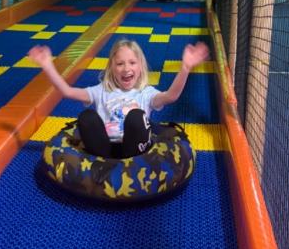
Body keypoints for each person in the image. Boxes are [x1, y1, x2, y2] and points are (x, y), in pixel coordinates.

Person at [27, 38, 209, 159]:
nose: (126, 68)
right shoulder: (101, 90)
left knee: (136, 116)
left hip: (134, 148)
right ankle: (101, 161)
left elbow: (171, 96)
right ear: (111, 68)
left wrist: (185, 68)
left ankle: (129, 156)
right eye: (120, 64)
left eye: (132, 63)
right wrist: (48, 66)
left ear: (140, 67)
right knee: (86, 117)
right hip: (105, 148)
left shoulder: (146, 93)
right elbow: (67, 91)